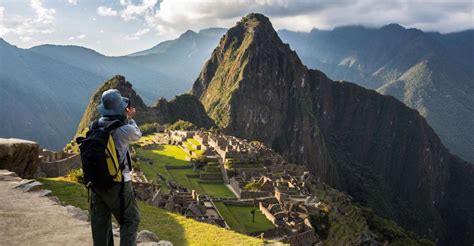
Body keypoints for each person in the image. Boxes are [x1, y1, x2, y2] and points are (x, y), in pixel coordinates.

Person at [91, 89, 142, 246]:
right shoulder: (125, 129)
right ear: (121, 109)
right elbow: (138, 135)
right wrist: (130, 118)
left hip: (96, 182)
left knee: (100, 223)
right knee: (130, 220)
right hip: (118, 183)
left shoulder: (94, 126)